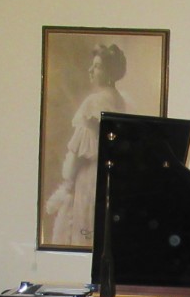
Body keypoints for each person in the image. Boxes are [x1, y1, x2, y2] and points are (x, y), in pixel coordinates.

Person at [44, 43, 130, 246]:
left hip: (88, 177)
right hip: (106, 178)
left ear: (109, 72)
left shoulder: (94, 102)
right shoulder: (120, 101)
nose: (90, 70)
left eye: (97, 66)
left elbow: (78, 151)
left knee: (81, 228)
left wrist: (68, 183)